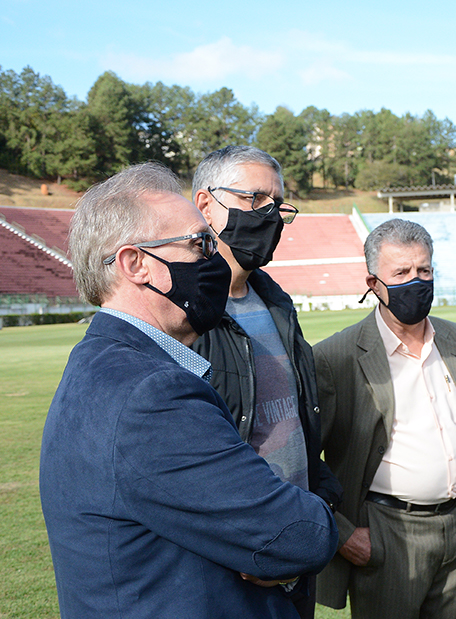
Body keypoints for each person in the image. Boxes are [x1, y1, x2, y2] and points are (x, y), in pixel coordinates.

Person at [39, 162, 339, 618]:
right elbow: (300, 534)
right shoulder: (153, 394)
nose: (214, 259)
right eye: (200, 244)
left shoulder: (102, 362)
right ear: (135, 263)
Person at [312, 218, 456, 619]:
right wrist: (345, 535)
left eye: (424, 270)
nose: (416, 281)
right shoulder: (334, 356)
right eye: (401, 273)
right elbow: (306, 461)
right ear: (373, 283)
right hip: (388, 531)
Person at [189, 145, 342, 619]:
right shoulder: (181, 314)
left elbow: (300, 425)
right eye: (254, 198)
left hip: (294, 551)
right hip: (232, 566)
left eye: (278, 205)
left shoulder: (276, 302)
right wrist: (242, 541)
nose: (269, 215)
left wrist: (323, 503)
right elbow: (187, 456)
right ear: (205, 205)